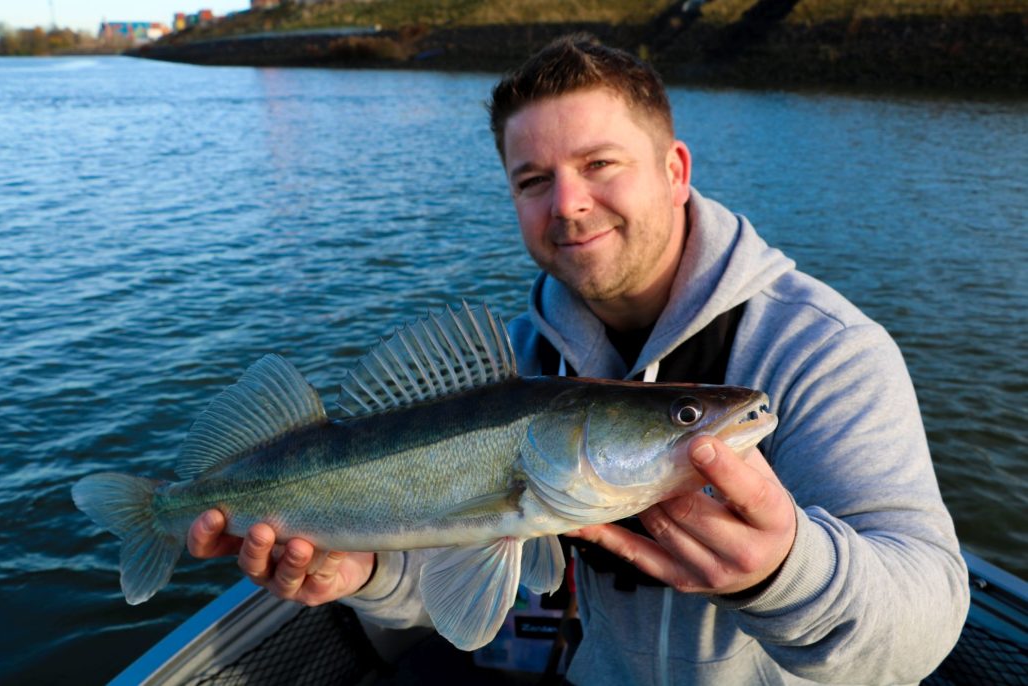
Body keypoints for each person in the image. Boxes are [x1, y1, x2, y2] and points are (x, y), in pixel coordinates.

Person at [188, 35, 969, 684]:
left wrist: (786, 570)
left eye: (600, 164)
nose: (567, 203)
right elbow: (457, 578)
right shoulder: (522, 361)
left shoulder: (823, 350)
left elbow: (927, 617)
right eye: (534, 180)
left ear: (675, 171)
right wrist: (367, 577)